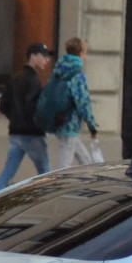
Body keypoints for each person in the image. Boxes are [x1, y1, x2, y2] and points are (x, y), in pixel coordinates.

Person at [0, 42, 53, 194]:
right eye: (43, 56)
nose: (47, 60)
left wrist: (15, 119)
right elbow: (32, 108)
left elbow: (3, 105)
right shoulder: (33, 80)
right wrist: (39, 124)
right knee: (45, 171)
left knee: (8, 172)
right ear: (33, 57)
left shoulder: (15, 78)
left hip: (15, 132)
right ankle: (49, 199)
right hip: (32, 134)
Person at [48, 37, 99, 167]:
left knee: (85, 161)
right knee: (64, 168)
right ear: (81, 53)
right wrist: (92, 125)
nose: (85, 57)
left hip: (59, 120)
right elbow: (83, 102)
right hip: (69, 123)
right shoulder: (77, 74)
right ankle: (58, 187)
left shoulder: (58, 71)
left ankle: (88, 184)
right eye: (85, 53)